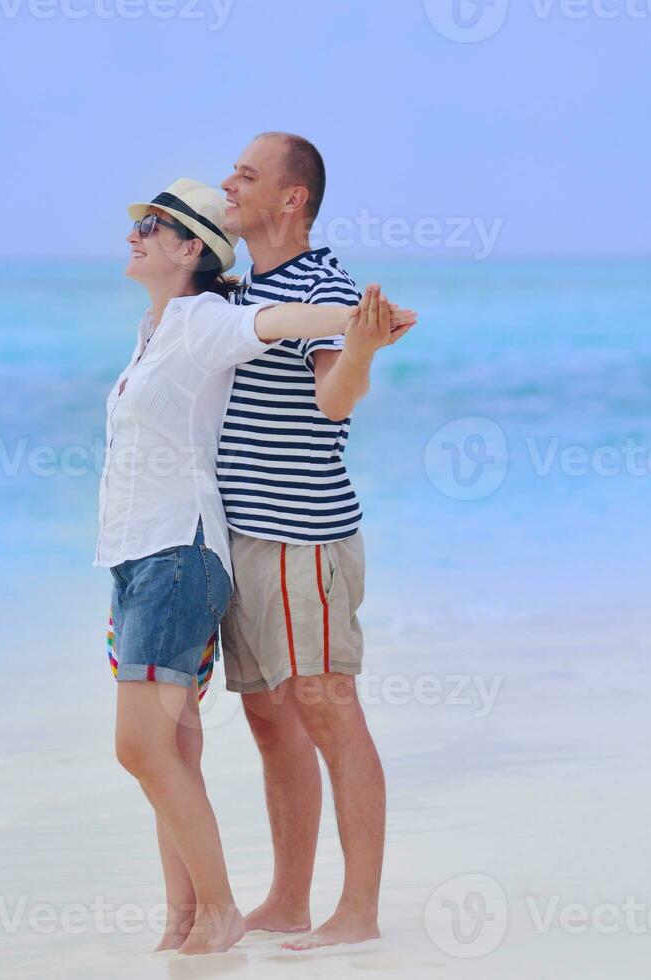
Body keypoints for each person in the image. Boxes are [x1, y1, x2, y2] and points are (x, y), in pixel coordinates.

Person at [97, 177, 413, 956]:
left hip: (198, 547)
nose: (135, 231)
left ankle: (231, 912)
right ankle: (199, 916)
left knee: (164, 741)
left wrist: (361, 324)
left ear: (189, 250)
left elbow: (284, 327)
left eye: (154, 224)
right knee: (201, 737)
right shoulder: (156, 325)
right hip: (148, 555)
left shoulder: (209, 319)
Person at [216, 133, 410, 950]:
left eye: (247, 175)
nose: (230, 183)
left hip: (302, 536)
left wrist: (361, 348)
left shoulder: (323, 285)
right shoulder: (234, 292)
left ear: (291, 200)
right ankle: (289, 900)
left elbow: (335, 399)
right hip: (239, 539)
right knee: (270, 719)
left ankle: (357, 912)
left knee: (328, 709)